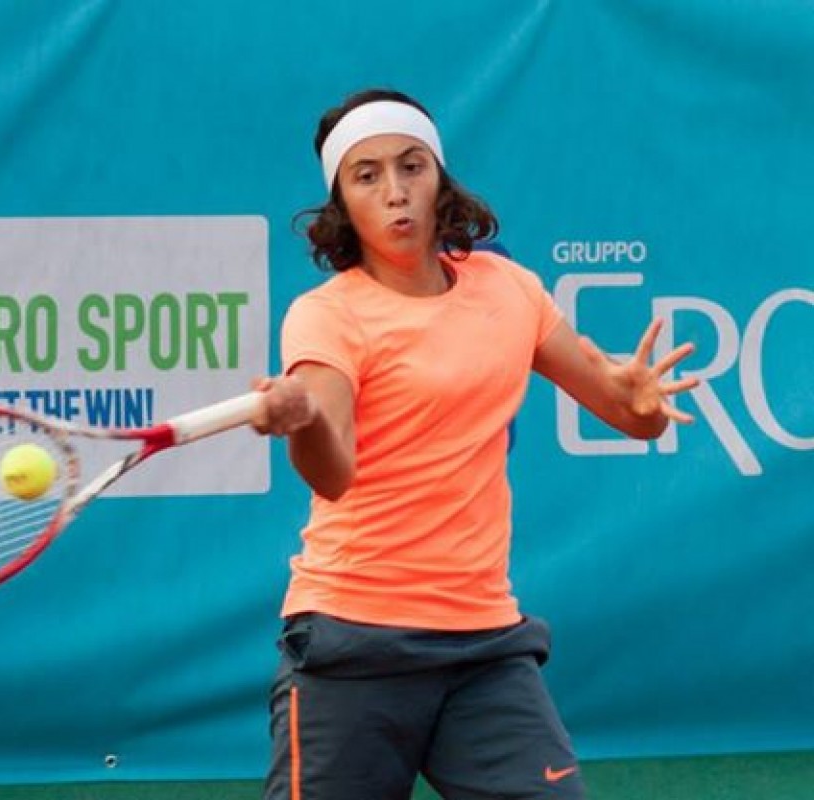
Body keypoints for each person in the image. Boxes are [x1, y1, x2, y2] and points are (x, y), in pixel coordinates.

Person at [252, 88, 700, 800]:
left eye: (412, 166)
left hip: (484, 646)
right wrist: (304, 420)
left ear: (441, 178)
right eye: (367, 176)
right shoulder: (326, 317)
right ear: (342, 205)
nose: (395, 191)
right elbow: (331, 472)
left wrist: (642, 403)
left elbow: (630, 414)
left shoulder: (509, 289)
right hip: (353, 639)